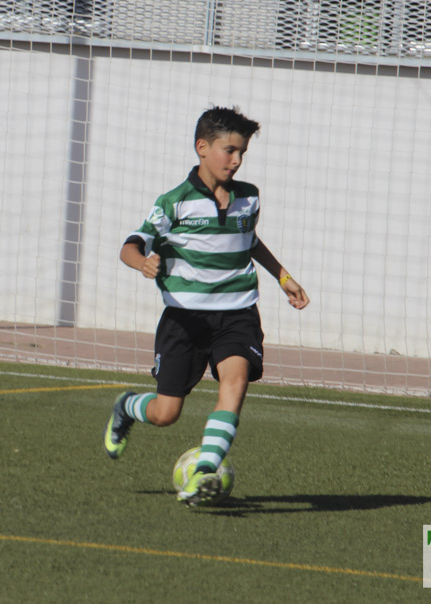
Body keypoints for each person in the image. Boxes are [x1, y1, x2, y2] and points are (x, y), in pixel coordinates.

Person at [102, 105, 309, 506]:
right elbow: (131, 244)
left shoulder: (248, 198)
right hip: (185, 318)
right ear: (202, 147)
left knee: (235, 382)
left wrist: (283, 277)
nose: (236, 160)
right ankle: (127, 407)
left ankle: (202, 474)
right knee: (166, 413)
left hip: (238, 313)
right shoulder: (175, 202)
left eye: (242, 153)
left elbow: (248, 241)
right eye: (229, 150)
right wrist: (142, 262)